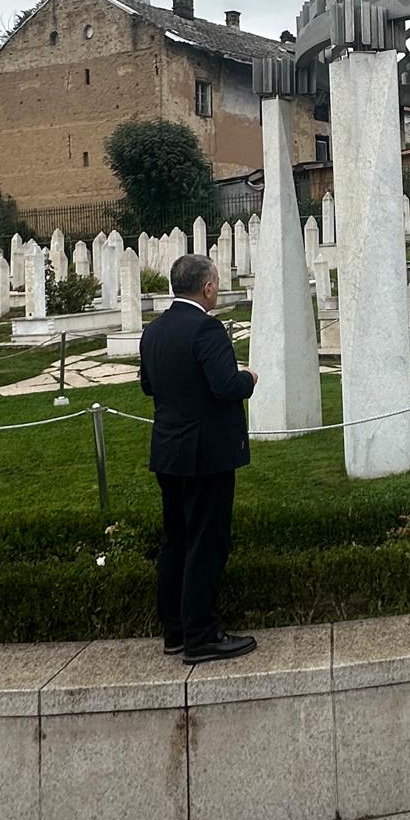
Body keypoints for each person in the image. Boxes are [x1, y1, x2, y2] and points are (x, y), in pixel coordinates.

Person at [140, 252, 259, 664]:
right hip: (207, 454)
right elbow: (226, 386)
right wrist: (248, 378)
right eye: (217, 283)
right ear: (207, 288)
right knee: (207, 542)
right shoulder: (207, 329)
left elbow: (148, 385)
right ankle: (201, 635)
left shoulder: (154, 331)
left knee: (176, 539)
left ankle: (174, 630)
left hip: (168, 450)